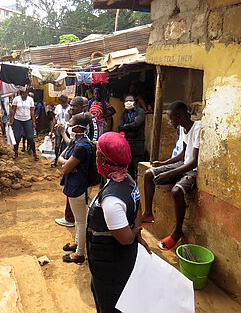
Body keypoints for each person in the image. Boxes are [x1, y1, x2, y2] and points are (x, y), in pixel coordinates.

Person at [87, 131, 151, 312]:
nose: (96, 157)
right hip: (115, 260)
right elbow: (137, 207)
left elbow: (126, 239)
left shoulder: (112, 201)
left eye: (99, 153)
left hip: (111, 262)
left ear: (105, 160)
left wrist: (134, 232)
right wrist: (137, 231)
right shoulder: (127, 179)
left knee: (110, 303)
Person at [142, 101, 200, 251]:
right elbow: (182, 154)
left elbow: (193, 162)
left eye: (172, 118)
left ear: (180, 117)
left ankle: (177, 232)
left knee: (176, 191)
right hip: (183, 164)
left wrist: (169, 173)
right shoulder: (182, 128)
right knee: (149, 174)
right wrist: (163, 163)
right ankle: (148, 213)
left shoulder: (197, 128)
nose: (170, 121)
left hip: (192, 169)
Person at [54, 96, 98, 227]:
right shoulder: (75, 120)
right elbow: (69, 147)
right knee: (73, 188)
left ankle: (71, 218)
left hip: (81, 160)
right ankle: (71, 217)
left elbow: (84, 144)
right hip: (74, 157)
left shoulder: (87, 124)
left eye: (74, 106)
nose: (71, 108)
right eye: (70, 105)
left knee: (77, 189)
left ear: (83, 107)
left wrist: (63, 133)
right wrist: (65, 162)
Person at [58, 114, 95, 264]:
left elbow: (64, 167)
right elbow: (61, 158)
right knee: (79, 219)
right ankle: (77, 243)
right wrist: (67, 164)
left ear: (78, 127)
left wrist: (66, 165)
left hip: (79, 187)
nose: (68, 125)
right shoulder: (77, 142)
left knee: (80, 221)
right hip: (77, 185)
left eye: (71, 123)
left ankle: (79, 253)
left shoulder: (82, 147)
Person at [118, 94, 146, 179]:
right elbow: (119, 127)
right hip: (127, 142)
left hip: (138, 142)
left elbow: (137, 124)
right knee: (128, 165)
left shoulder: (140, 111)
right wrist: (131, 125)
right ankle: (131, 184)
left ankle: (139, 185)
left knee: (138, 164)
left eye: (130, 101)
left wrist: (126, 126)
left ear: (134, 102)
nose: (128, 102)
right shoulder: (123, 114)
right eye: (126, 101)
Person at [10, 89, 38, 161]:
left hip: (27, 120)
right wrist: (11, 120)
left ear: (28, 93)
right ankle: (16, 152)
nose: (24, 95)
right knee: (17, 137)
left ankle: (34, 153)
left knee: (30, 137)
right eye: (23, 93)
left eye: (26, 93)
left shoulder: (30, 100)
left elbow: (32, 111)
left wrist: (33, 121)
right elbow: (13, 109)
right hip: (17, 120)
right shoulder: (16, 99)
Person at [50, 95, 71, 168]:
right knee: (57, 144)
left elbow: (71, 118)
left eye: (64, 102)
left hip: (67, 128)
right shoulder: (58, 107)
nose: (62, 104)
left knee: (66, 145)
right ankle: (56, 159)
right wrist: (51, 130)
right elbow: (54, 119)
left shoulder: (70, 108)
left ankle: (64, 160)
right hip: (58, 127)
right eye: (61, 102)